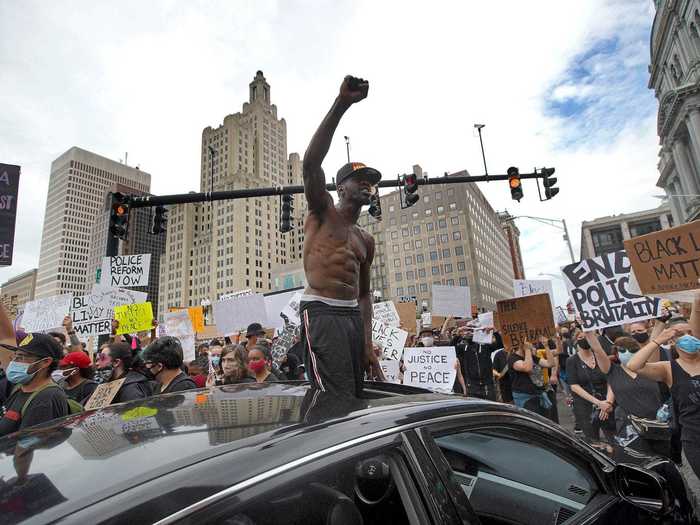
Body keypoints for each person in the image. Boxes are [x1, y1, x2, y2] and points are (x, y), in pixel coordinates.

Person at [300, 75, 384, 397]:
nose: (367, 183)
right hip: (321, 311)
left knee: (354, 393)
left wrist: (367, 345)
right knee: (332, 396)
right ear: (340, 188)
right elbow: (311, 164)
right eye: (358, 178)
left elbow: (364, 296)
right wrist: (342, 104)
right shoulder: (322, 211)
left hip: (351, 317)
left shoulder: (366, 240)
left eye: (370, 180)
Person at [628, 321, 700, 476]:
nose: (687, 337)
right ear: (672, 341)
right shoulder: (668, 368)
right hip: (695, 438)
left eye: (690, 332)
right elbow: (634, 365)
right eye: (680, 334)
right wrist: (657, 340)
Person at [585, 332, 669, 457]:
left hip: (657, 424)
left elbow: (654, 344)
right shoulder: (612, 370)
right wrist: (588, 331)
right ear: (616, 354)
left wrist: (661, 322)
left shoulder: (650, 367)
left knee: (663, 460)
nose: (628, 353)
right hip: (630, 427)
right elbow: (597, 350)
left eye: (633, 350)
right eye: (622, 350)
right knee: (638, 463)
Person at [0, 333, 70, 437]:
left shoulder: (46, 399)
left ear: (45, 362)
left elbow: (27, 448)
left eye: (21, 357)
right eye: (15, 356)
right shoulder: (21, 387)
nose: (14, 362)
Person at [566, 330, 615, 443]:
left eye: (586, 337)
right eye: (580, 338)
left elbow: (610, 379)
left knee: (614, 438)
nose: (584, 340)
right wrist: (598, 403)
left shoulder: (600, 356)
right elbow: (574, 386)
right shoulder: (572, 361)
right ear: (575, 342)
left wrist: (607, 402)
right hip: (585, 406)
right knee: (593, 442)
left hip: (607, 404)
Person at [508, 341, 554, 417]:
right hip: (525, 398)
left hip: (538, 394)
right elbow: (528, 368)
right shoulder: (513, 358)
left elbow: (550, 363)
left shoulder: (531, 357)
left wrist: (546, 346)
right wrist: (527, 350)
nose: (532, 346)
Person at [452, 325, 497, 401]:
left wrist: (495, 331)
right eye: (467, 331)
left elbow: (500, 345)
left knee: (490, 410)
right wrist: (457, 334)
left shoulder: (485, 346)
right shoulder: (463, 348)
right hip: (471, 387)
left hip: (487, 386)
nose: (469, 333)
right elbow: (451, 349)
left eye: (472, 330)